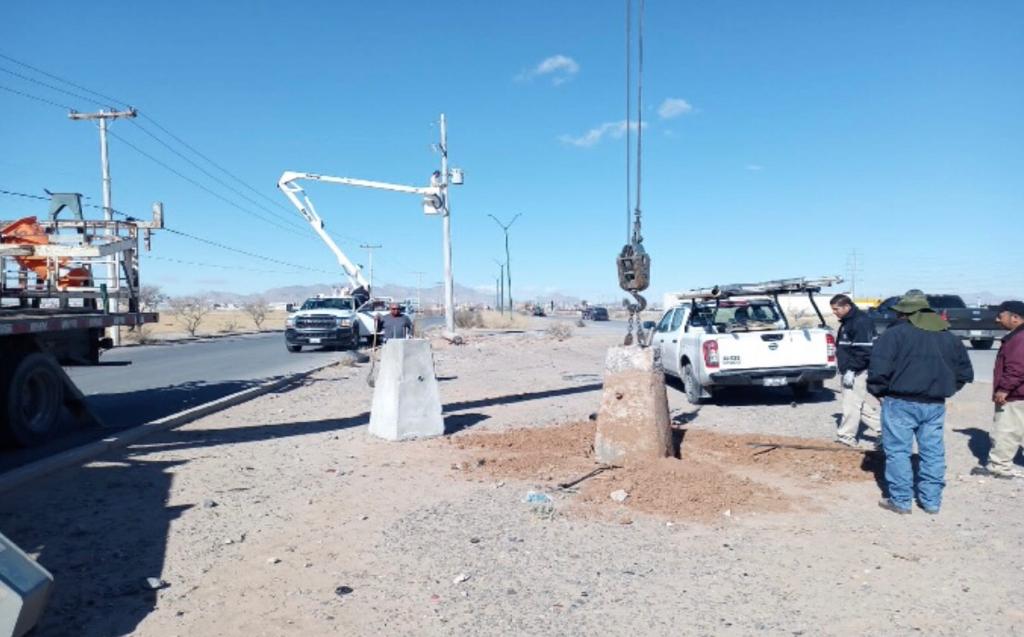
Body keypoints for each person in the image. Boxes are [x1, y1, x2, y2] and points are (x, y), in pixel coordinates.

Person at [867, 292, 973, 514]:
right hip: (935, 404)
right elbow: (964, 374)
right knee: (933, 452)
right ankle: (931, 501)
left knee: (898, 451)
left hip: (900, 402)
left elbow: (878, 370)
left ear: (904, 312)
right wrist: (946, 390)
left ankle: (901, 501)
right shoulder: (950, 338)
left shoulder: (894, 335)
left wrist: (878, 391)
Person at [970, 300, 1024, 479]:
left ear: (1015, 318)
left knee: (1006, 430)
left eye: (1001, 316)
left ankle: (999, 467)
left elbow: (1017, 368)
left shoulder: (1019, 338)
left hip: (1016, 395)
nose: (997, 320)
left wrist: (1004, 389)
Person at [830, 294, 882, 449]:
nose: (834, 312)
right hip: (850, 370)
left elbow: (864, 350)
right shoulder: (849, 322)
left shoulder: (860, 322)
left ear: (847, 306)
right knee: (857, 402)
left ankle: (847, 437)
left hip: (857, 371)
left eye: (836, 309)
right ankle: (885, 429)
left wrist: (852, 370)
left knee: (850, 404)